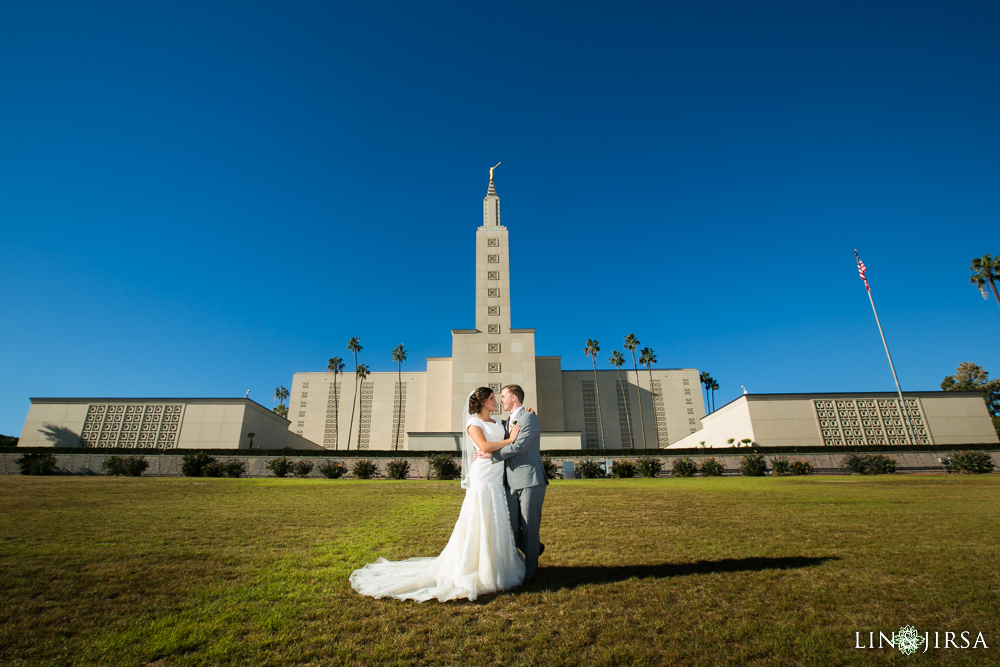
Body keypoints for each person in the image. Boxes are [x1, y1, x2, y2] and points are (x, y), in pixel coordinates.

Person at [349, 387, 525, 601]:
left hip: (497, 477)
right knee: (478, 517)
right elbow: (484, 446)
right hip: (482, 477)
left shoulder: (499, 422)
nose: (495, 401)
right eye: (491, 398)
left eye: (496, 398)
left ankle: (499, 566)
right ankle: (474, 568)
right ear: (480, 402)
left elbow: (514, 421)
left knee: (496, 518)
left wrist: (527, 412)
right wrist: (509, 440)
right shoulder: (473, 424)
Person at [478, 384, 547, 584]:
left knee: (530, 527)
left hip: (530, 480)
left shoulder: (529, 418)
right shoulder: (505, 422)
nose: (501, 400)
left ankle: (530, 573)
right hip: (509, 482)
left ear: (514, 398)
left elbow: (520, 446)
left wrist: (491, 454)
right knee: (510, 527)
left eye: (504, 396)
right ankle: (533, 548)